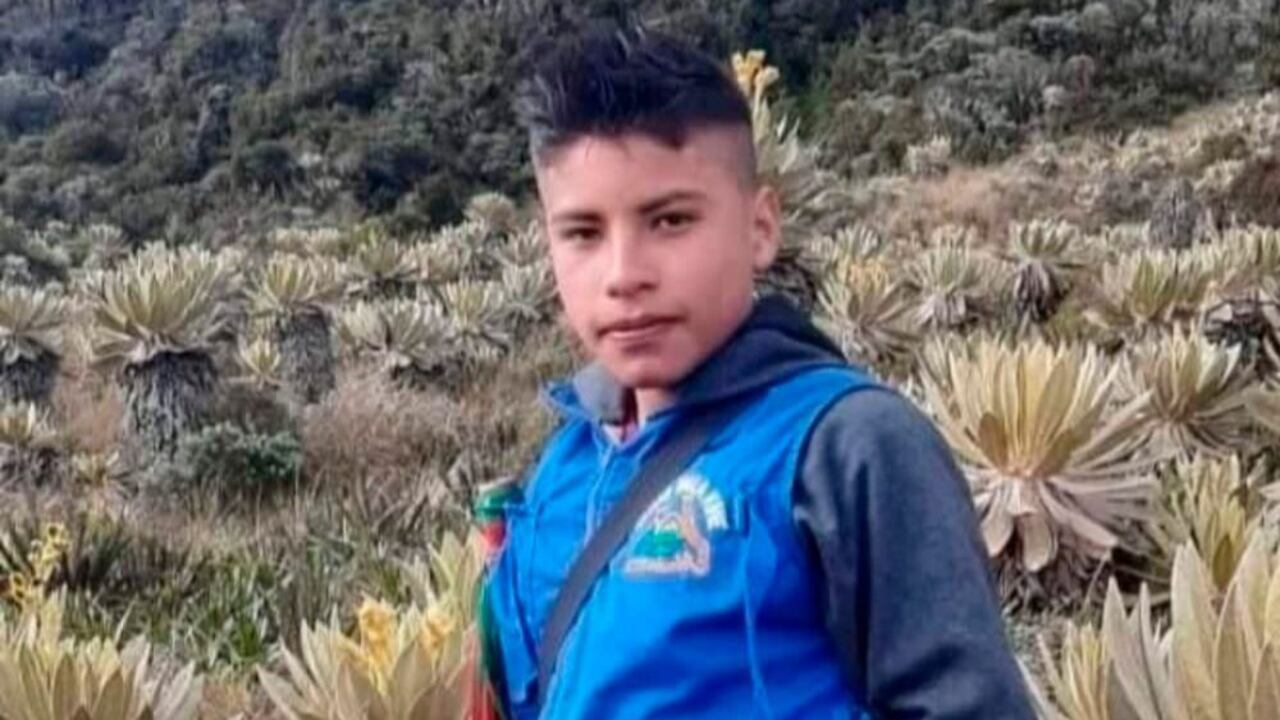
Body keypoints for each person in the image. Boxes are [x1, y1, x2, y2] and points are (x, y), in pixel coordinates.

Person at [477, 22, 1035, 720]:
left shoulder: (849, 447)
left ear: (760, 226)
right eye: (583, 233)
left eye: (670, 221)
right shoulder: (567, 460)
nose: (623, 275)